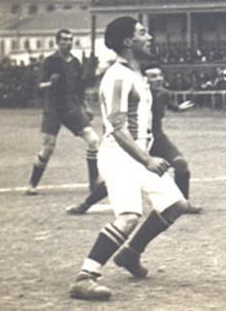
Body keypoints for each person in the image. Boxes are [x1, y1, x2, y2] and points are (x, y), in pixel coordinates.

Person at [68, 17, 191, 301]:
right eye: (142, 32)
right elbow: (116, 128)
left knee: (176, 205)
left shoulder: (136, 74)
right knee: (128, 216)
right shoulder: (118, 77)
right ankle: (84, 277)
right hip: (120, 156)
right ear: (127, 41)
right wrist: (148, 160)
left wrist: (146, 157)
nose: (149, 37)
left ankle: (130, 254)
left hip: (138, 155)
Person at [67, 64, 203, 216]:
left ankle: (184, 203)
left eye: (160, 75)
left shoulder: (163, 93)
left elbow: (169, 105)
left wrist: (178, 108)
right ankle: (85, 205)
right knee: (120, 178)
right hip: (134, 140)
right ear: (144, 79)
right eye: (153, 76)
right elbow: (116, 117)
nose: (158, 79)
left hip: (157, 137)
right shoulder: (134, 92)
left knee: (181, 163)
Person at [26, 29, 101, 195]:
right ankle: (33, 184)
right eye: (65, 40)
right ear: (57, 42)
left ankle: (93, 184)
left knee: (94, 140)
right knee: (48, 147)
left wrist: (85, 106)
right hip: (53, 108)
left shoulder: (75, 63)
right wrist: (50, 84)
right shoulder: (50, 62)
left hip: (70, 108)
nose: (68, 43)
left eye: (70, 40)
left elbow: (79, 88)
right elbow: (39, 85)